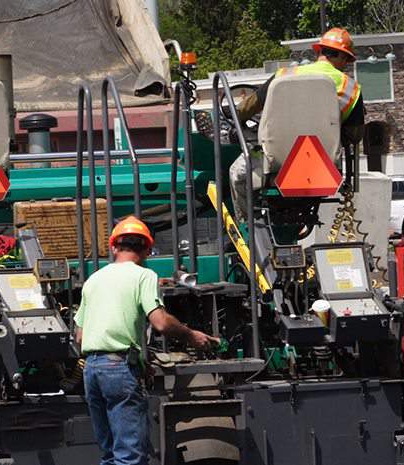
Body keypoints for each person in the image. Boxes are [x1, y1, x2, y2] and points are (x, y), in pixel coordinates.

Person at [73, 216, 217, 465]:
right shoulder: (144, 276)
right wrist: (191, 335)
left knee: (110, 455)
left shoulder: (93, 280)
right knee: (130, 456)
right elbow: (160, 322)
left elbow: (80, 335)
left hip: (92, 371)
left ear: (113, 247)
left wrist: (140, 358)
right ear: (148, 249)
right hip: (118, 370)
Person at [229, 27, 366, 219]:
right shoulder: (350, 88)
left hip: (273, 163)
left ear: (319, 52)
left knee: (237, 174)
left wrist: (230, 117)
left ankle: (248, 226)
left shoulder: (284, 74)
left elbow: (244, 110)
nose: (346, 66)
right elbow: (355, 135)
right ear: (342, 57)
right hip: (322, 167)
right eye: (347, 61)